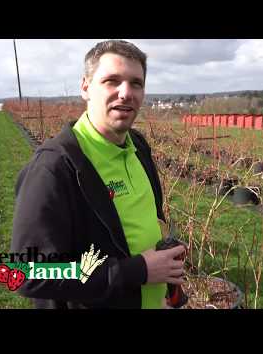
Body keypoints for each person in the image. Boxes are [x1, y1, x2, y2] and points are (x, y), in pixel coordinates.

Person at [11, 40, 185, 309]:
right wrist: (136, 271)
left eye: (136, 83)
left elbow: (150, 224)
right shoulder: (54, 168)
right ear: (85, 87)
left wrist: (166, 292)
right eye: (112, 80)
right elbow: (29, 272)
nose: (125, 92)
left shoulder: (137, 146)